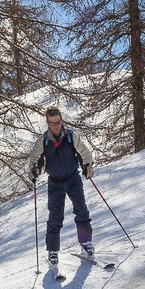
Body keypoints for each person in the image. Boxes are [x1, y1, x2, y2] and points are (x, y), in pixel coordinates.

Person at [28, 106, 98, 271]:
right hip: (55, 182)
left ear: (61, 121)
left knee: (81, 211)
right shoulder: (43, 140)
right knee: (55, 217)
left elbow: (84, 152)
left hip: (73, 178)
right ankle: (53, 251)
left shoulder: (71, 136)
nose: (55, 126)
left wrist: (87, 165)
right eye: (51, 124)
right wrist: (34, 169)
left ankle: (85, 243)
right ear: (47, 123)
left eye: (57, 123)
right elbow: (34, 158)